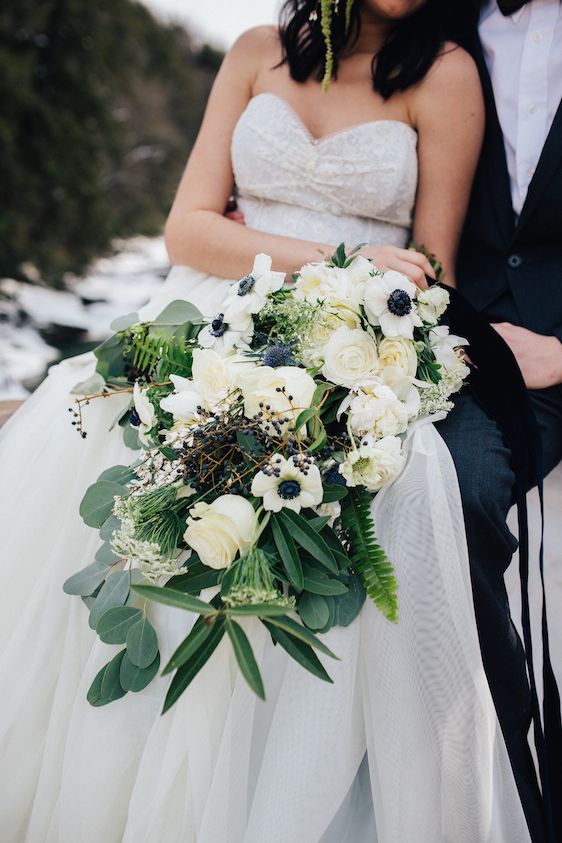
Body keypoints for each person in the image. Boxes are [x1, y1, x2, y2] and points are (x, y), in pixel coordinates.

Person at [0, 2, 534, 840]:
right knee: (138, 512)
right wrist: (335, 258)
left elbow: (432, 264)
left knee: (329, 525)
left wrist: (354, 295)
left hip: (355, 339)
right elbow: (188, 228)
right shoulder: (254, 52)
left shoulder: (445, 72)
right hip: (211, 314)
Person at [437, 3, 562, 841]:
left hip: (554, 357)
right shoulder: (436, 20)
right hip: (462, 343)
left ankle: (521, 793)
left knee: (461, 491)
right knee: (432, 484)